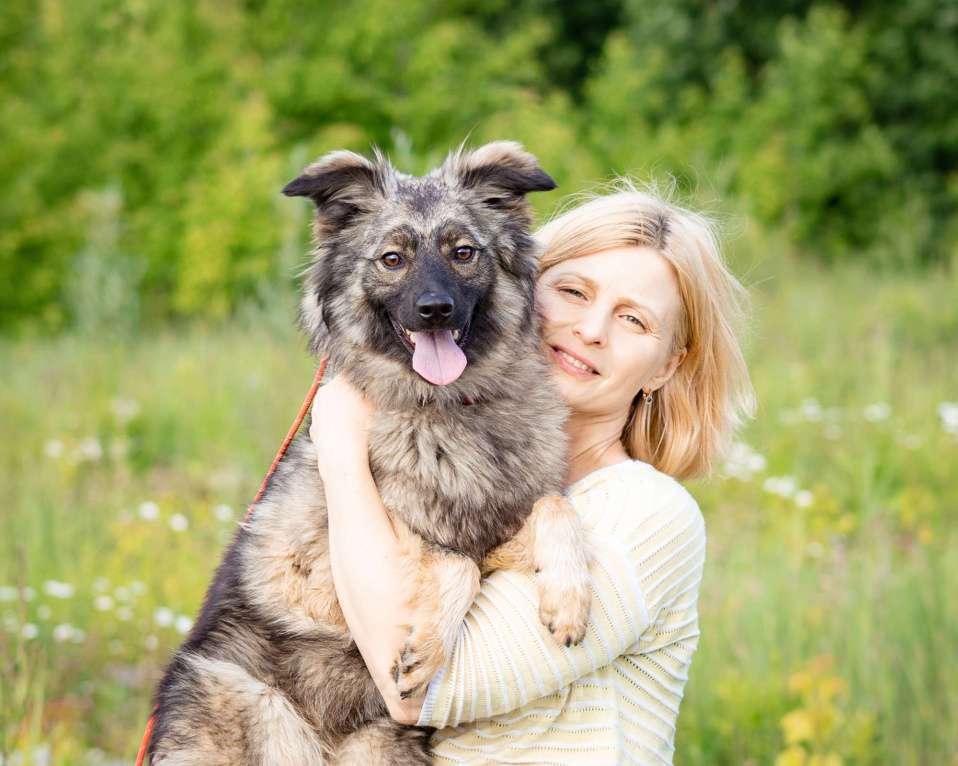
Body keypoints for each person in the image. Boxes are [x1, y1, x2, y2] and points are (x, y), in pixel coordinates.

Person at [310, 181, 755, 764]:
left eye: (633, 320)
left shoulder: (649, 515)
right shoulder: (447, 469)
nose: (591, 329)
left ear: (666, 366)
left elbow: (417, 690)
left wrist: (340, 444)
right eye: (572, 291)